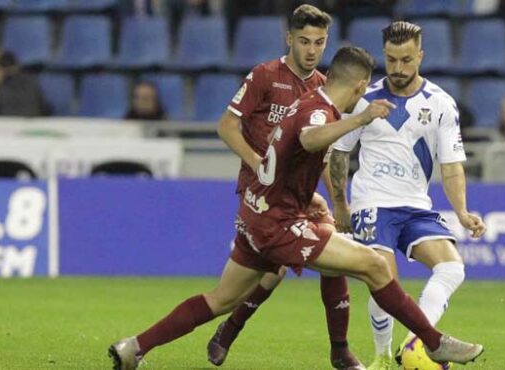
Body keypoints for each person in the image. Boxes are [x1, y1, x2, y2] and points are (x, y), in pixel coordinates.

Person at [109, 46, 484, 370]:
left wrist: (312, 198)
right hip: (279, 225)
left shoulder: (304, 101)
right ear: (357, 87)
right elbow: (308, 138)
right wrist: (361, 118)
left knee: (220, 299)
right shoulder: (320, 113)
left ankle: (134, 347)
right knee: (375, 265)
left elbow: (289, 160)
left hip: (257, 212)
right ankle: (431, 341)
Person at [328, 22, 486, 370]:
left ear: (420, 56)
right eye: (391, 59)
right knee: (383, 277)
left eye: (406, 60)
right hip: (373, 203)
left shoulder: (441, 103)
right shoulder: (363, 98)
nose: (398, 68)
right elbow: (339, 152)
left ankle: (416, 340)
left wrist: (461, 210)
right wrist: (341, 203)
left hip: (415, 206)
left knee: (452, 268)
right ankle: (383, 356)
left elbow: (451, 166)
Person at [213, 5, 363, 369]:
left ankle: (340, 350)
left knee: (328, 256)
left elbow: (321, 154)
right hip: (260, 193)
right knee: (272, 271)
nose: (312, 50)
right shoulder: (265, 75)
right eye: (305, 41)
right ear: (289, 39)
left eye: (320, 42)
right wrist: (259, 165)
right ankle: (228, 329)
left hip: (297, 194)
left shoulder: (324, 89)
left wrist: (336, 201)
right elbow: (226, 127)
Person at [0, 52, 51, 117]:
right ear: (17, 65)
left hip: (9, 124)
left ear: (1, 70)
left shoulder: (1, 88)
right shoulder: (32, 81)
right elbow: (44, 108)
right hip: (33, 121)